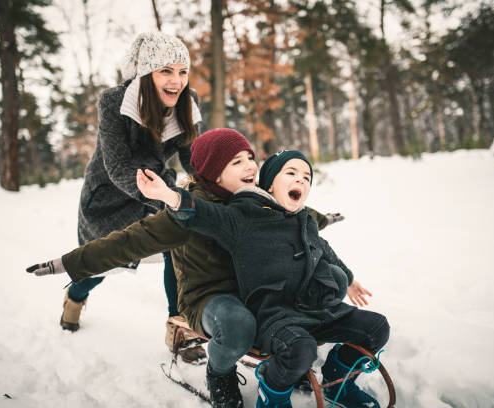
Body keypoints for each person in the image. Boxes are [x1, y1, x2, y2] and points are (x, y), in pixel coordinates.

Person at [27, 128, 344, 408]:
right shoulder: (184, 216)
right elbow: (125, 244)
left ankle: (287, 363)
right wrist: (68, 264)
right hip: (210, 297)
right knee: (238, 325)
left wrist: (324, 219)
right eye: (236, 162)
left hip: (253, 288)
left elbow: (294, 217)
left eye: (250, 157)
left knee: (297, 297)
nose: (250, 166)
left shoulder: (252, 199)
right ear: (215, 173)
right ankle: (219, 373)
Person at [136, 146, 390, 408]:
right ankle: (272, 394)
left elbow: (325, 251)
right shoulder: (245, 220)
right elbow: (205, 214)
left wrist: (348, 279)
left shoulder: (305, 221)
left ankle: (340, 380)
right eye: (291, 172)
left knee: (376, 328)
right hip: (275, 316)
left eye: (306, 177)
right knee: (301, 350)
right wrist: (168, 195)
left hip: (314, 309)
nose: (300, 179)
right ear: (269, 185)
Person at [64, 31, 204, 362]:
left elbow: (191, 157)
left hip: (158, 186)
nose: (176, 80)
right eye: (166, 71)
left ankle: (180, 327)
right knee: (100, 266)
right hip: (111, 197)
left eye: (182, 71)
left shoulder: (188, 100)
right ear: (146, 73)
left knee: (177, 242)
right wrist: (165, 197)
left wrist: (212, 181)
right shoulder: (113, 102)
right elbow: (117, 167)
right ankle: (75, 294)